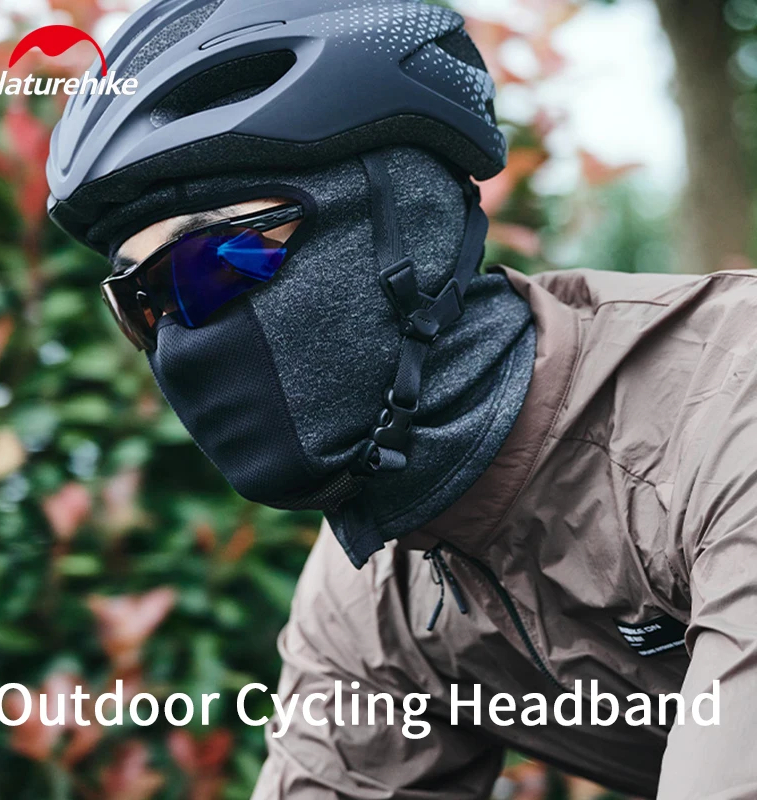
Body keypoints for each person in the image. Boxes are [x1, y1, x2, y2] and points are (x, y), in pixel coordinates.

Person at [46, 1, 757, 798]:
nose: (182, 340)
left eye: (217, 264)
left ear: (405, 226)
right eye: (145, 303)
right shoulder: (377, 586)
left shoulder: (729, 406)